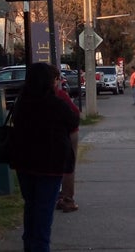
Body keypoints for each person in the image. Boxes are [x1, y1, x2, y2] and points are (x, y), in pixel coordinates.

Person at [9, 63, 79, 251]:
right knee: (44, 212)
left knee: (31, 207)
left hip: (24, 164)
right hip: (49, 166)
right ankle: (39, 247)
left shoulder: (22, 102)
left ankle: (29, 245)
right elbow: (73, 120)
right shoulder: (56, 103)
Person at [55, 77, 80, 213]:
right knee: (68, 166)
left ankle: (57, 196)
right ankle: (67, 199)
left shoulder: (27, 97)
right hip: (66, 134)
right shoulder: (59, 95)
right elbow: (75, 113)